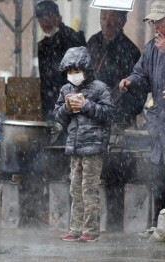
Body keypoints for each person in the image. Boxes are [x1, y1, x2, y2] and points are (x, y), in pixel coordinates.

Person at [87, 9, 147, 232]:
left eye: (113, 19)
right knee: (88, 175)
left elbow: (139, 93)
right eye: (103, 18)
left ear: (123, 21)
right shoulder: (92, 44)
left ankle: (113, 227)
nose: (107, 23)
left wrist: (120, 112)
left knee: (114, 176)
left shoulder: (131, 51)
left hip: (117, 126)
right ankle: (88, 226)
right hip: (92, 122)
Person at [54, 46, 115, 242]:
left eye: (77, 71)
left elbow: (109, 114)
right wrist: (67, 108)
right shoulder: (66, 90)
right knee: (75, 188)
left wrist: (86, 105)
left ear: (87, 70)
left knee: (89, 188)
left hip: (93, 147)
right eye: (70, 72)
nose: (73, 75)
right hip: (74, 147)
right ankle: (75, 228)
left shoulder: (100, 88)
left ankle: (91, 229)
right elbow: (56, 116)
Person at [119, 0, 165, 239]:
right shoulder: (150, 49)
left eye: (159, 21)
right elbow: (141, 74)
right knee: (158, 177)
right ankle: (159, 224)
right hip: (159, 125)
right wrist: (131, 81)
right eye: (153, 22)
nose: (155, 26)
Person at [35, 0, 86, 122]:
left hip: (71, 108)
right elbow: (45, 82)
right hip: (50, 107)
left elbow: (80, 78)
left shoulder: (73, 38)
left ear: (59, 17)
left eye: (49, 16)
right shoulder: (42, 46)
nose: (45, 21)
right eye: (41, 18)